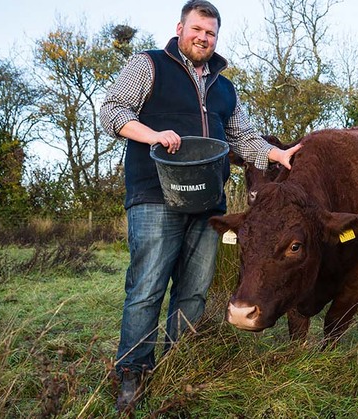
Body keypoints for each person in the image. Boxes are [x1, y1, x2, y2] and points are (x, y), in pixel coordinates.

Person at [99, 0, 301, 412]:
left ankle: (179, 365)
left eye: (210, 33)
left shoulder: (225, 87)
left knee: (194, 292)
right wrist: (153, 134)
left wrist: (277, 156)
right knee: (147, 287)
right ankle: (133, 373)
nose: (203, 38)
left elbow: (241, 137)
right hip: (155, 196)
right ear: (180, 28)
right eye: (197, 29)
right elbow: (112, 111)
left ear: (216, 38)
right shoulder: (149, 65)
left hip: (208, 203)